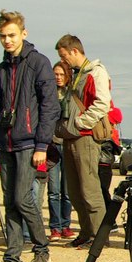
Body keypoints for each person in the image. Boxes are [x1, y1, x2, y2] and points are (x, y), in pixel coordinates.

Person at [0, 10, 59, 262]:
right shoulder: (0, 70)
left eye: (11, 35)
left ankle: (42, 252)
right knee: (10, 202)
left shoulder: (38, 63)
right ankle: (12, 260)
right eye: (2, 36)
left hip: (30, 142)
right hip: (5, 141)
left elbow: (50, 107)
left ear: (23, 33)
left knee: (22, 198)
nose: (7, 40)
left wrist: (42, 145)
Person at [55, 34, 112, 247]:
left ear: (74, 51)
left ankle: (99, 236)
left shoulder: (96, 72)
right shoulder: (78, 74)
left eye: (64, 56)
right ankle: (87, 232)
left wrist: (80, 123)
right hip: (71, 137)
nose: (63, 60)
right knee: (75, 190)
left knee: (90, 189)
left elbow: (102, 103)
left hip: (86, 138)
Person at [47, 62, 74, 239]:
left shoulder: (72, 94)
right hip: (52, 145)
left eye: (61, 74)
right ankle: (55, 227)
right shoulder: (48, 94)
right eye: (55, 74)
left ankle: (66, 225)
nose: (58, 77)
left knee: (67, 190)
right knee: (53, 190)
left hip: (68, 144)